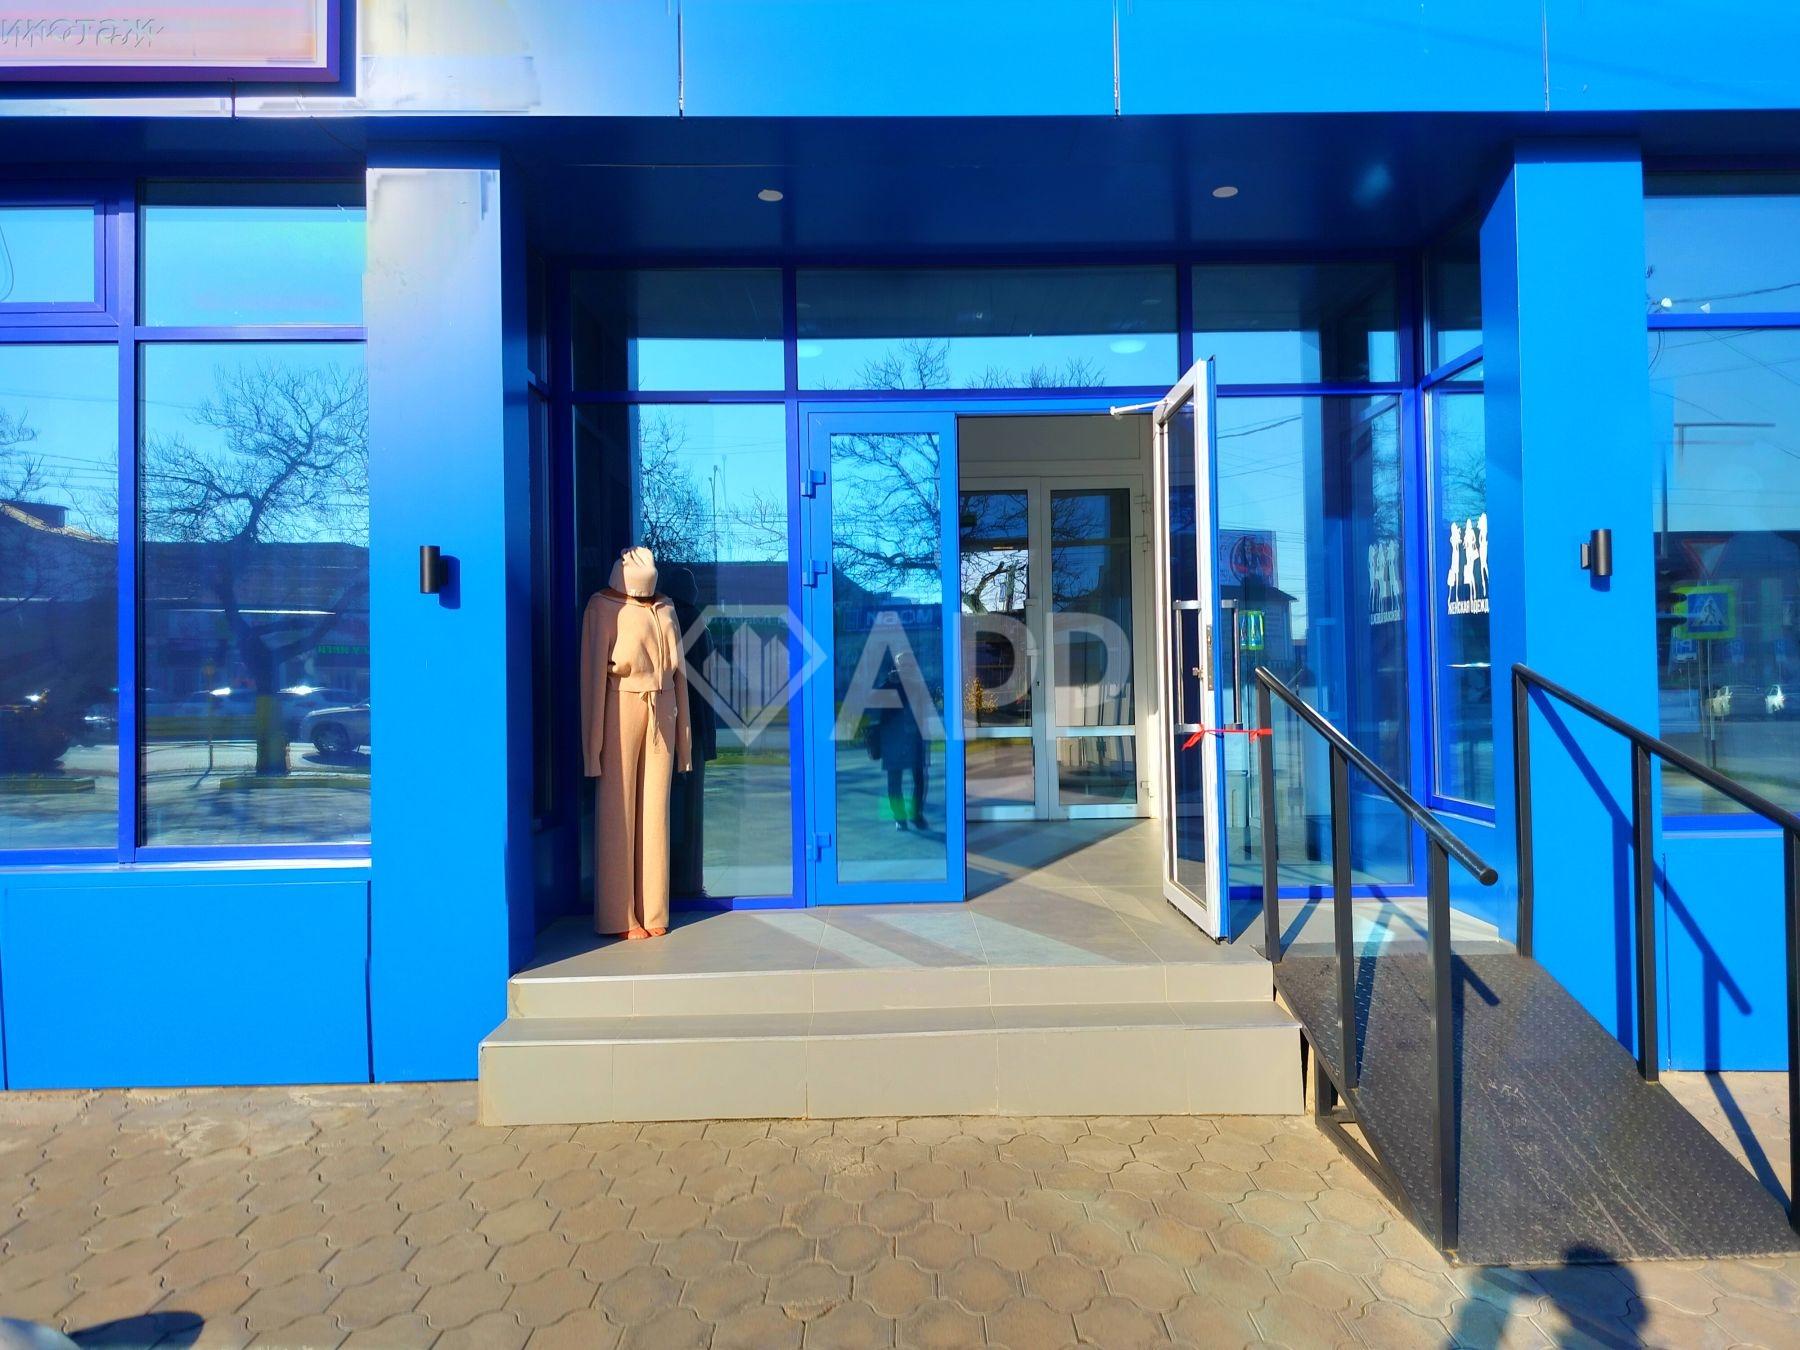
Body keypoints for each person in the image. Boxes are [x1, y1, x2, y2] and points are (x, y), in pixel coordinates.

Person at [868, 651, 930, 831]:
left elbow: (924, 711)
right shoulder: (888, 685)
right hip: (893, 740)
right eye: (902, 665)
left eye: (909, 665)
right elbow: (874, 706)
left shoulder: (917, 685)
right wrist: (888, 683)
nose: (906, 668)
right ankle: (900, 818)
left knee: (918, 779)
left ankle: (915, 815)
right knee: (895, 781)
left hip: (914, 739)